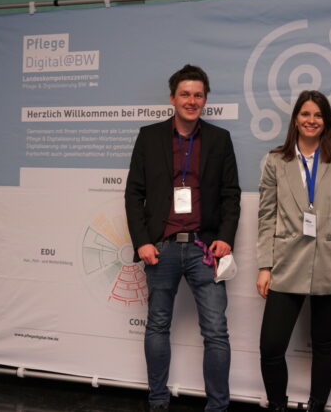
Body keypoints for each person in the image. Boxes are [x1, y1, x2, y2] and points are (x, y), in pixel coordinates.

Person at [125, 64, 241, 412]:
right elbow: (134, 194)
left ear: (206, 99)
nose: (192, 101)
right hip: (160, 249)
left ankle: (218, 407)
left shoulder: (219, 139)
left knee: (216, 331)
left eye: (198, 95)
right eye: (185, 94)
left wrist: (225, 237)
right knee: (158, 326)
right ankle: (157, 401)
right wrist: (142, 241)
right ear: (172, 98)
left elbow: (230, 195)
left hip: (205, 249)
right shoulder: (149, 136)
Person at [256, 90, 331, 412]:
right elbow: (266, 215)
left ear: (325, 121)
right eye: (305, 114)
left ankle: (317, 406)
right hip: (286, 263)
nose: (311, 120)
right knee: (271, 346)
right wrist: (264, 265)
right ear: (295, 120)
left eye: (318, 115)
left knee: (325, 345)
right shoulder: (276, 160)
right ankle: (277, 405)